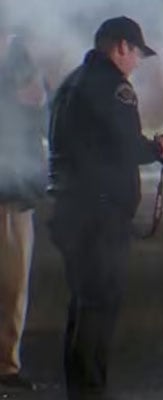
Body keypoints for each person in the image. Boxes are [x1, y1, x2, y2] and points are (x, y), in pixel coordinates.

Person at [47, 16, 163, 399]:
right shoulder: (116, 87)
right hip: (100, 215)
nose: (136, 61)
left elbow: (101, 140)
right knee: (100, 306)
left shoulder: (72, 82)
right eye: (136, 53)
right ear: (122, 46)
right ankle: (90, 391)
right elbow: (127, 146)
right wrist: (159, 149)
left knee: (84, 305)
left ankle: (80, 389)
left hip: (72, 209)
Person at [0, 28, 48, 392]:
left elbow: (36, 118)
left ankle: (6, 363)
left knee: (15, 286)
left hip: (16, 193)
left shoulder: (21, 61)